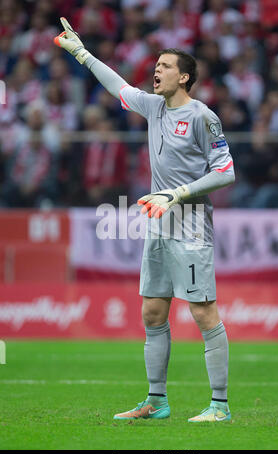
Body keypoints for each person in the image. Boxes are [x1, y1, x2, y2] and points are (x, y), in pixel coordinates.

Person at [54, 18, 235, 423]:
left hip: (189, 222)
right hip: (158, 223)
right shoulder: (152, 106)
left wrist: (178, 192)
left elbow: (226, 172)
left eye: (166, 66)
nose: (157, 70)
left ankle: (219, 407)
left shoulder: (204, 116)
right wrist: (81, 53)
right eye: (156, 64)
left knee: (203, 312)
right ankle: (157, 402)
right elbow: (117, 85)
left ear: (184, 76)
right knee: (153, 312)